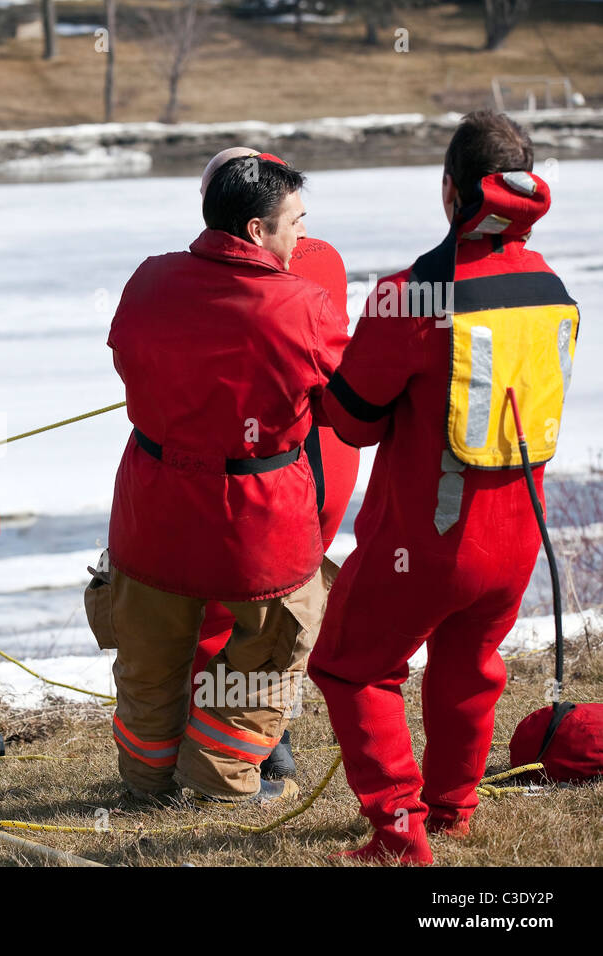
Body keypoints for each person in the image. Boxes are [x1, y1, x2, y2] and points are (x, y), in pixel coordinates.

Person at [308, 111, 581, 864]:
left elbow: (352, 420)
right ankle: (453, 810)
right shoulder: (551, 286)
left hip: (427, 539)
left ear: (450, 189)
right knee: (469, 669)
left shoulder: (414, 292)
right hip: (520, 534)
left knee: (351, 665)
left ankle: (399, 829)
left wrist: (321, 382)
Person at [89, 156, 349, 804]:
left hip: (153, 509)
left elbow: (127, 357)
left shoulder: (148, 280)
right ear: (259, 231)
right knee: (273, 643)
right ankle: (218, 779)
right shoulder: (303, 305)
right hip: (255, 520)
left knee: (148, 659)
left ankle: (146, 784)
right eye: (296, 223)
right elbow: (347, 411)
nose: (302, 238)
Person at [190, 149, 362, 780]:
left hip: (282, 456)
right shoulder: (326, 257)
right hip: (326, 450)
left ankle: (253, 745)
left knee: (240, 602)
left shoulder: (272, 264)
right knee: (286, 598)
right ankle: (261, 735)